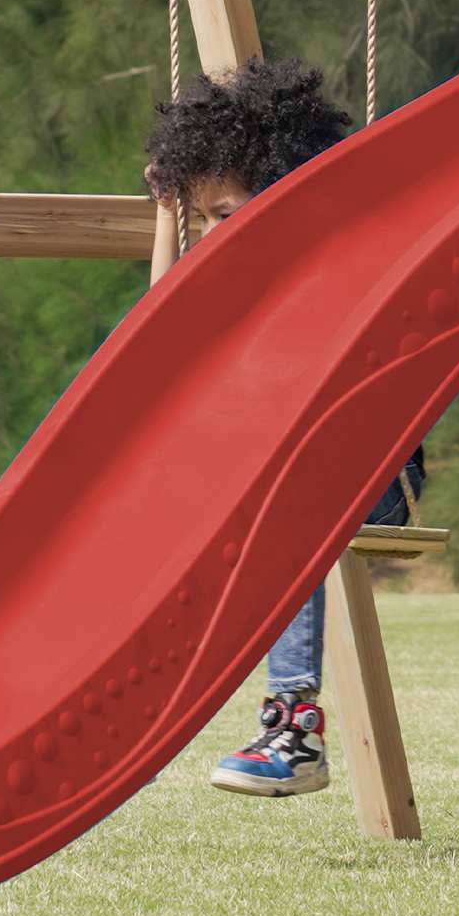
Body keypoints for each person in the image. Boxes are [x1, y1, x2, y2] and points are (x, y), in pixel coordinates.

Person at [141, 56, 423, 796]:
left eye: (224, 215)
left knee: (283, 498)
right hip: (295, 471)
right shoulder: (243, 280)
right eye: (202, 221)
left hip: (377, 474)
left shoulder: (332, 270)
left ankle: (293, 727)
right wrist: (168, 216)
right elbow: (159, 331)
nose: (214, 235)